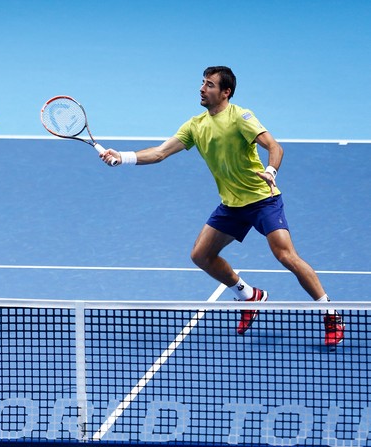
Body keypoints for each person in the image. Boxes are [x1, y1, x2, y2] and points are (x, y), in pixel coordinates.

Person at [100, 66, 344, 347]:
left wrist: (271, 172)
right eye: (203, 83)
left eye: (210, 85)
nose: (202, 89)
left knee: (286, 256)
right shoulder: (195, 126)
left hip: (263, 199)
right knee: (201, 255)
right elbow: (160, 152)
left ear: (225, 92)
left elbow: (276, 147)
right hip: (232, 205)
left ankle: (330, 313)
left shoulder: (240, 117)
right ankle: (248, 295)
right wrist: (123, 156)